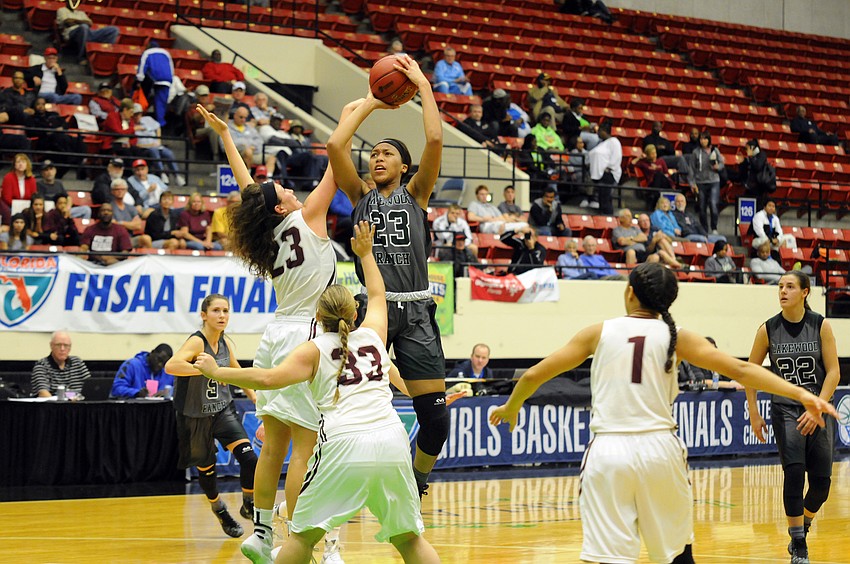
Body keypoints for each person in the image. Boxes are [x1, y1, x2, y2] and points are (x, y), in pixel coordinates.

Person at [489, 262, 837, 564]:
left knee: (607, 557)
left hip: (608, 452)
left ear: (629, 293)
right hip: (661, 451)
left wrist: (511, 407)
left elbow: (533, 375)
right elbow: (743, 370)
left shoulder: (598, 332)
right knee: (678, 555)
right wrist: (802, 394)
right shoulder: (677, 336)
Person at [193, 222, 440, 564]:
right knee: (409, 538)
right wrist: (366, 254)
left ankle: (270, 535)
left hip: (344, 444)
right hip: (393, 442)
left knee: (303, 537)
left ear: (317, 316)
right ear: (355, 313)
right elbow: (378, 294)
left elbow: (267, 378)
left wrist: (218, 371)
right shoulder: (374, 335)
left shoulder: (313, 350)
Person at [197, 100, 354, 562]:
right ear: (283, 205)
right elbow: (336, 156)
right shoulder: (308, 217)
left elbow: (251, 193)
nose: (288, 187)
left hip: (275, 336)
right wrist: (357, 110)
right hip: (306, 336)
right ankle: (305, 539)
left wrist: (227, 137)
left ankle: (261, 534)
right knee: (307, 447)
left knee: (273, 449)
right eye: (283, 188)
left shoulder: (269, 233)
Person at [326, 55, 450, 499]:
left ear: (404, 167)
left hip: (415, 309)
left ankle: (417, 480)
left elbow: (434, 137)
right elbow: (335, 145)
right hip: (371, 310)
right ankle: (340, 478)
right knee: (351, 404)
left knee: (436, 419)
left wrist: (422, 85)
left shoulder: (417, 194)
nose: (377, 158)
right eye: (374, 153)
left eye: (387, 154)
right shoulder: (358, 194)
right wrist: (373, 102)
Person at [745, 270, 840, 564]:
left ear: (805, 292)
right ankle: (798, 543)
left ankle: (804, 525)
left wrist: (817, 407)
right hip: (785, 409)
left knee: (821, 485)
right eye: (780, 286)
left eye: (789, 286)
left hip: (818, 408)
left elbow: (834, 372)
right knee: (795, 474)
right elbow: (750, 372)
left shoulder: (821, 325)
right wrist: (754, 412)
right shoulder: (768, 329)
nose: (783, 291)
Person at [164, 294, 259, 539]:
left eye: (225, 310)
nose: (222, 315)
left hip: (221, 410)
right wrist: (205, 370)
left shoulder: (224, 342)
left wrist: (254, 396)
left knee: (250, 459)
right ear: (204, 315)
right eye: (216, 310)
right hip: (194, 416)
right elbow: (171, 366)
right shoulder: (197, 342)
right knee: (207, 470)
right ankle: (219, 508)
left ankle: (248, 502)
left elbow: (236, 369)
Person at [132, 103, 185, 185]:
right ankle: (162, 173)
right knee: (154, 151)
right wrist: (149, 145)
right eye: (135, 115)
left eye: (138, 114)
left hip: (157, 145)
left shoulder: (148, 119)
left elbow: (157, 127)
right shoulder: (131, 126)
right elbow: (135, 144)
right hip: (144, 149)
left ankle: (177, 176)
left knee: (169, 153)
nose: (137, 116)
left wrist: (158, 140)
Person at [55, 0, 119, 65]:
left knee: (113, 29)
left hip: (88, 32)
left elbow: (90, 23)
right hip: (72, 32)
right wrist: (82, 22)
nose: (74, 3)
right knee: (84, 27)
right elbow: (67, 22)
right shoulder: (62, 10)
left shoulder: (81, 12)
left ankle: (103, 55)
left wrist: (75, 21)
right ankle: (81, 57)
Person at [31, 331, 91, 398]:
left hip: (80, 403)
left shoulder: (77, 362)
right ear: (51, 346)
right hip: (54, 404)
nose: (62, 349)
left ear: (70, 347)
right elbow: (43, 394)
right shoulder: (41, 366)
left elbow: (91, 386)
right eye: (58, 345)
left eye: (66, 345)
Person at [690, 131, 725, 235]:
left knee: (713, 204)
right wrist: (692, 183)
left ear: (709, 140)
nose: (703, 141)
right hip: (700, 182)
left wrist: (718, 167)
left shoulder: (715, 150)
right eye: (701, 139)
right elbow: (691, 168)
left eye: (705, 138)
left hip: (714, 181)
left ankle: (714, 227)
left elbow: (722, 163)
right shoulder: (696, 152)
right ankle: (704, 229)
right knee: (702, 207)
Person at [111, 344, 175, 399]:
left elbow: (177, 390)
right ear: (152, 352)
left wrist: (168, 392)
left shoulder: (168, 372)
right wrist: (137, 393)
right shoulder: (131, 365)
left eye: (164, 363)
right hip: (133, 407)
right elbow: (117, 389)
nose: (160, 365)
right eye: (159, 359)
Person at [135, 40, 174, 126]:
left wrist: (139, 80)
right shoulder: (166, 53)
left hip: (154, 79)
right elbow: (171, 68)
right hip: (167, 80)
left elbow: (142, 67)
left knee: (142, 99)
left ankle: (138, 120)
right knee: (161, 103)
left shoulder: (147, 53)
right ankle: (161, 124)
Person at [587, 120, 621, 215]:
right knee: (602, 199)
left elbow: (616, 158)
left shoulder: (614, 142)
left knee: (605, 199)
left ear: (603, 131)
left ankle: (607, 216)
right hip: (600, 175)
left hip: (608, 175)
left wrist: (607, 169)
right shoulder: (602, 143)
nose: (597, 133)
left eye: (599, 131)